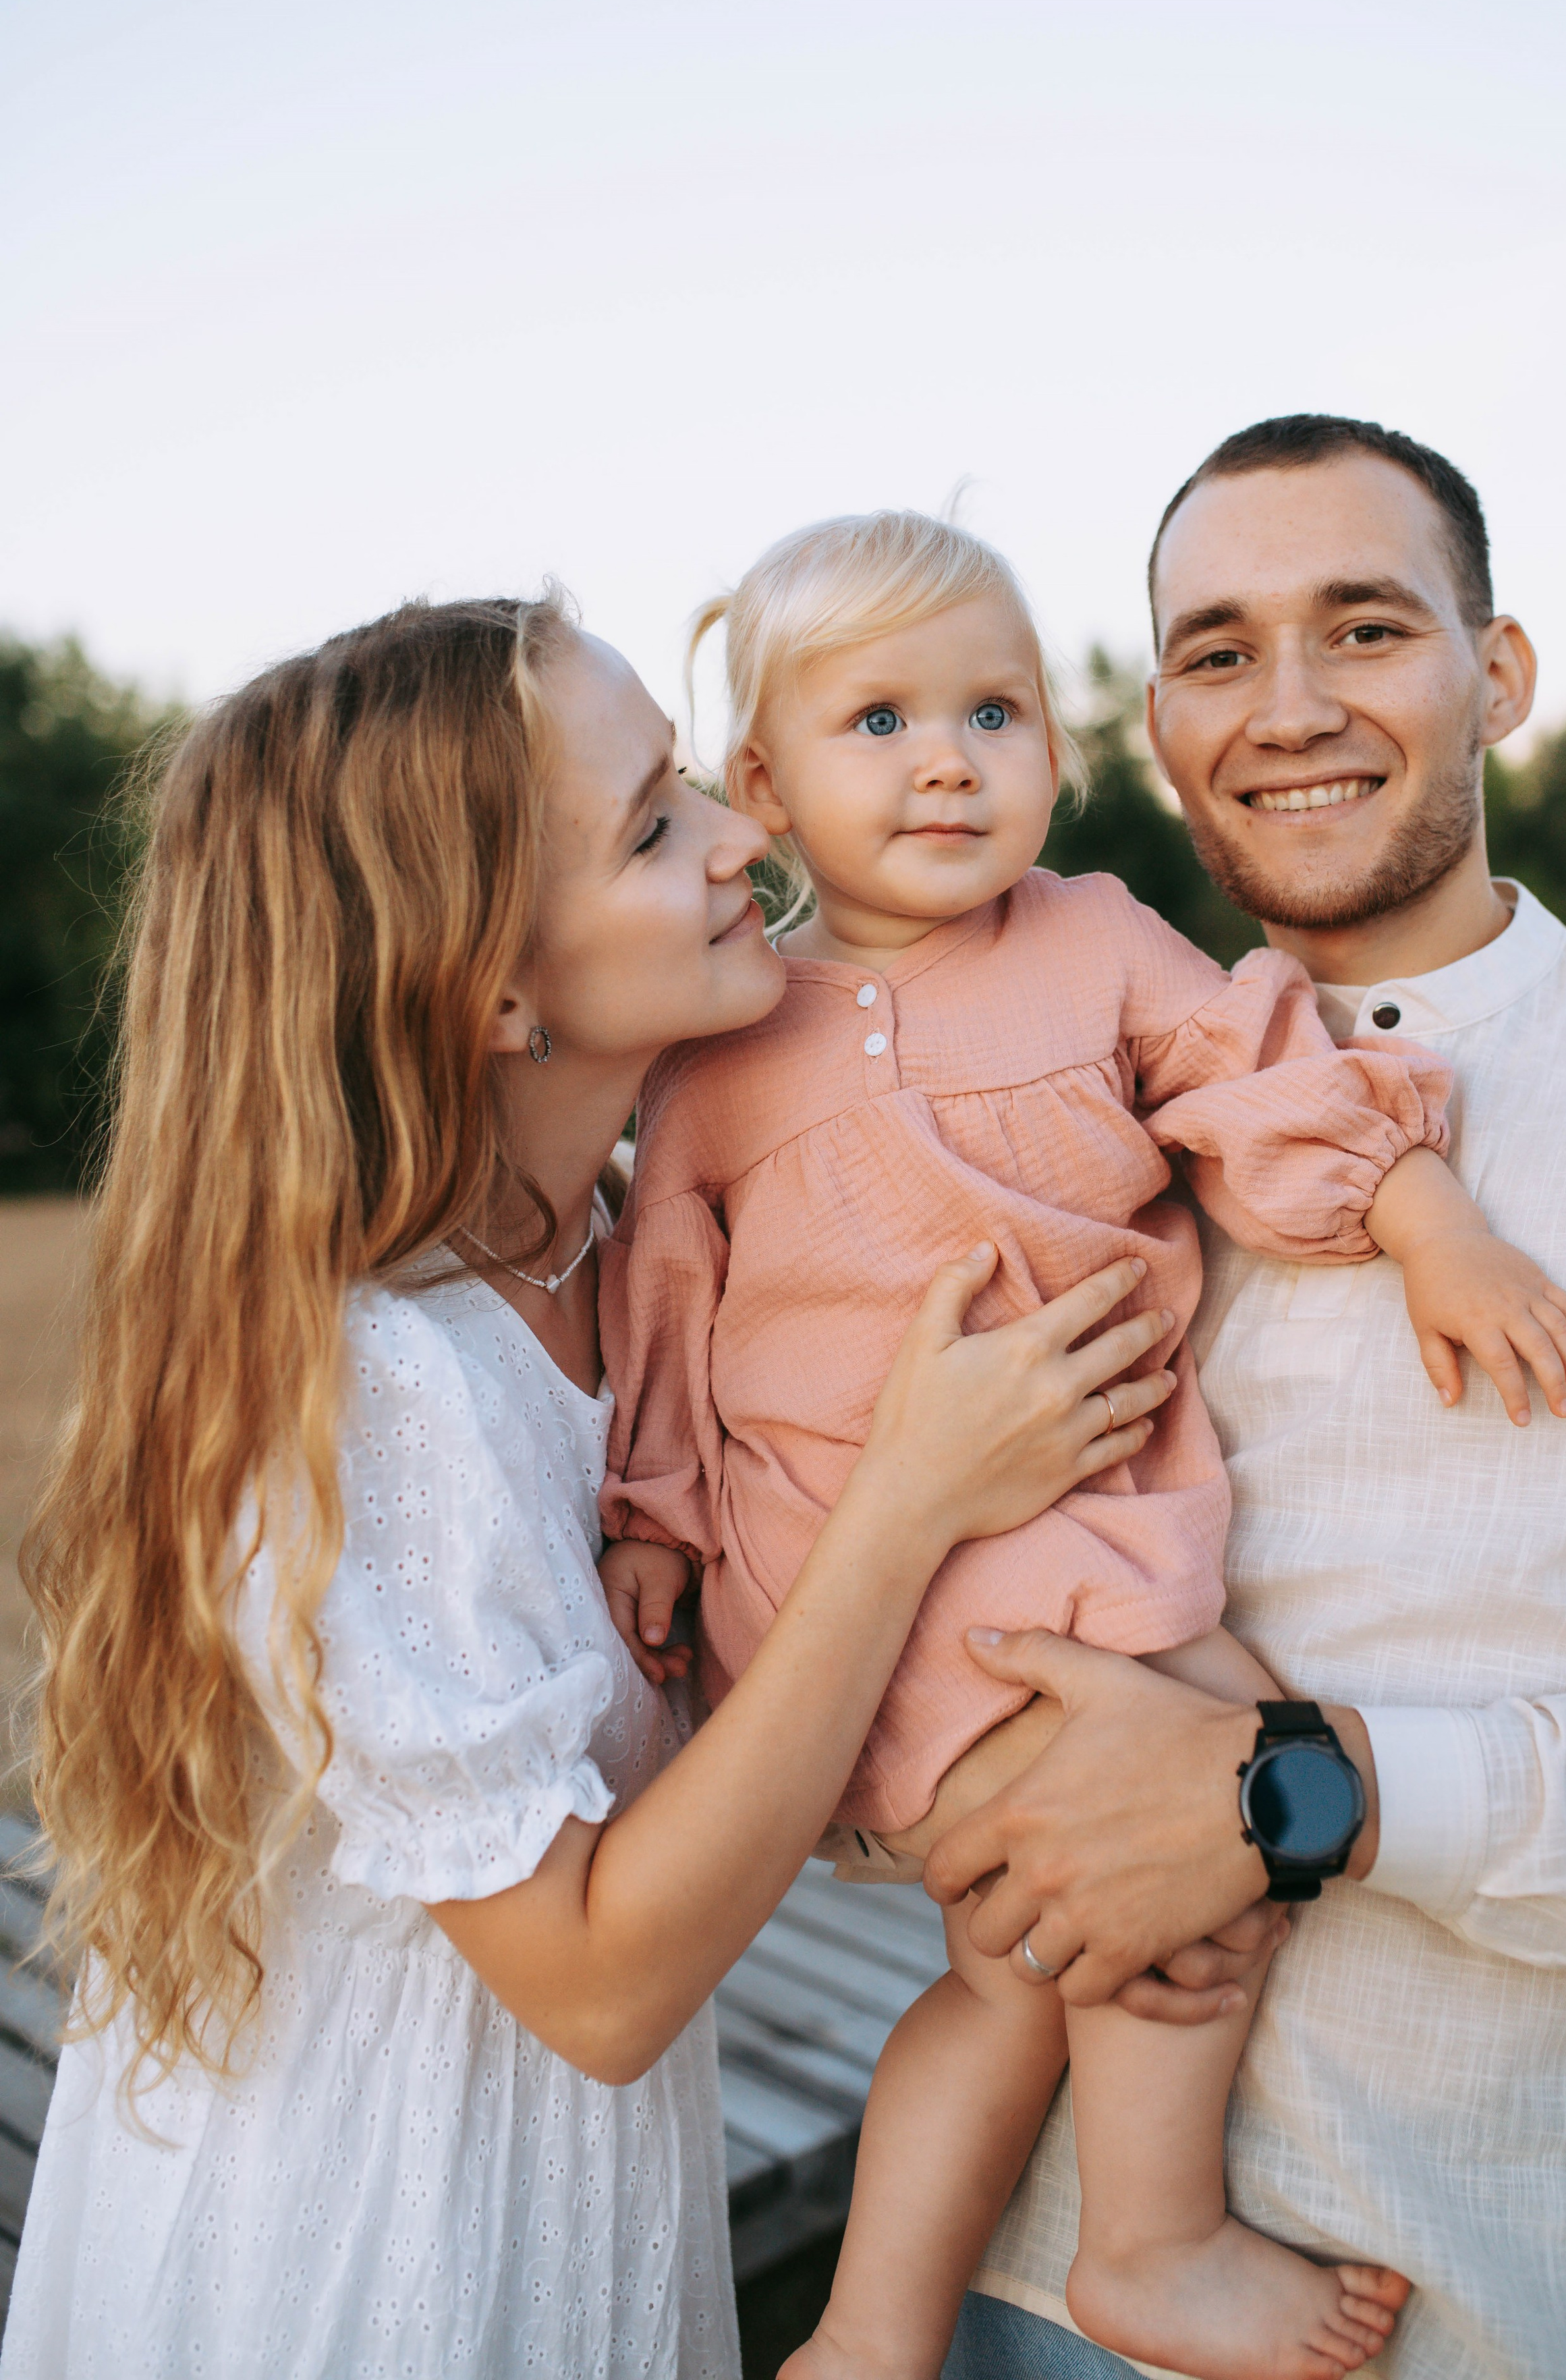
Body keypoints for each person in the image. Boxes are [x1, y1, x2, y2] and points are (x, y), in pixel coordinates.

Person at [4, 594, 1176, 2380]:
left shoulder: (641, 1258)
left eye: (698, 786)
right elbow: (604, 1985)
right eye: (653, 828)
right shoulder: (357, 1390)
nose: (746, 835)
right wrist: (909, 1502)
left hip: (585, 2212)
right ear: (483, 981)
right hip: (371, 2262)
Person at [596, 511, 1566, 2380]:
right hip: (854, 1586)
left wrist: (1419, 1216)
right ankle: (1150, 2240)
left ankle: (874, 2334)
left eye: (999, 711)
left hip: (1085, 1545)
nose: (951, 758)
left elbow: (1261, 1070)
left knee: (1056, 1937)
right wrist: (653, 1520)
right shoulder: (722, 1041)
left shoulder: (1098, 943)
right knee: (1191, 1817)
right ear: (764, 785)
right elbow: (666, 1296)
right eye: (878, 721)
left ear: (1065, 751)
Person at [929, 416, 1566, 2380]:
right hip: (1045, 2286)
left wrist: (1306, 1796)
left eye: (1364, 628)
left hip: (1521, 2289)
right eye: (1216, 653)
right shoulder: (1047, 1121)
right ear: (1159, 719)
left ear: (1500, 673)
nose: (1286, 707)